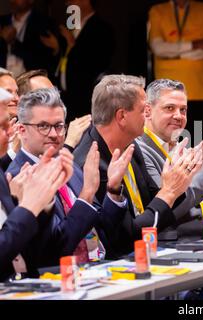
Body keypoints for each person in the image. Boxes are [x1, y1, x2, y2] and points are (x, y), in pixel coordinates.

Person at [73, 74, 203, 258]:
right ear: (122, 116)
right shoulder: (90, 162)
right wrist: (169, 192)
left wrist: (181, 178)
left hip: (149, 252)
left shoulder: (131, 146)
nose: (148, 115)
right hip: (115, 266)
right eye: (143, 110)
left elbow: (156, 206)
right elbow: (126, 237)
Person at [7, 87, 131, 266]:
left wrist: (113, 189)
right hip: (57, 277)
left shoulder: (69, 165)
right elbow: (55, 248)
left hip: (101, 266)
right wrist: (86, 194)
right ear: (21, 130)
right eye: (43, 126)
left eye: (58, 126)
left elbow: (102, 228)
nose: (54, 134)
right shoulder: (18, 176)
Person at [136, 78, 203, 239]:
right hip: (170, 244)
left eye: (183, 110)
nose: (178, 116)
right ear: (147, 111)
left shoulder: (183, 148)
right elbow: (169, 209)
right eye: (170, 108)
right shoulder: (140, 151)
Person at [0, 102, 71, 281]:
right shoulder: (11, 170)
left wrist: (43, 206)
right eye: (2, 127)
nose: (10, 133)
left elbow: (34, 250)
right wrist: (28, 207)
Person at [148, 0, 203, 133]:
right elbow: (158, 48)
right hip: (168, 92)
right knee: (171, 141)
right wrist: (194, 45)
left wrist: (173, 54)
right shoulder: (158, 10)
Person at [41, 0, 114, 120]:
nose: (68, 3)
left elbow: (96, 62)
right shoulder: (71, 26)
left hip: (86, 98)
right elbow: (64, 59)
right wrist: (58, 48)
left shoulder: (102, 28)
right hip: (64, 96)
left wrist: (72, 44)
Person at [15, 69, 92, 152]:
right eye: (43, 96)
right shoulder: (13, 139)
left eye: (54, 93)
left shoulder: (72, 132)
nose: (52, 99)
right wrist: (69, 144)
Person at [0, 0, 58, 77]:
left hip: (30, 82)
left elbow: (43, 60)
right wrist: (2, 40)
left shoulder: (44, 23)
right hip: (3, 81)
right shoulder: (2, 22)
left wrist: (14, 43)